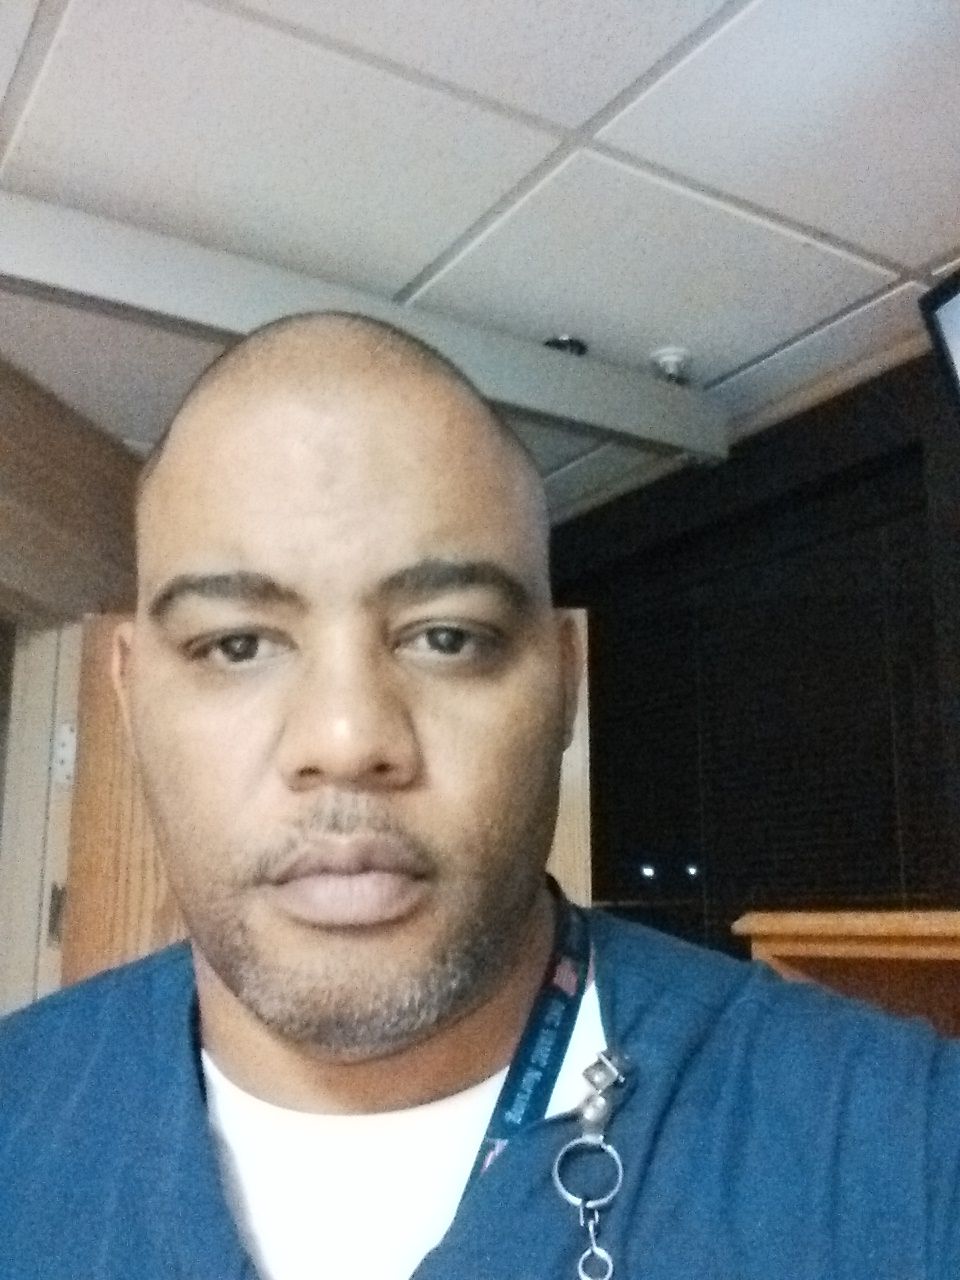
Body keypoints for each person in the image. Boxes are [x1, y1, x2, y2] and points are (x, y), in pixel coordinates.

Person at [1, 312, 958, 1280]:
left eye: (447, 637)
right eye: (236, 644)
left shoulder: (902, 1152)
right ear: (129, 696)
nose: (347, 740)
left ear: (566, 682)